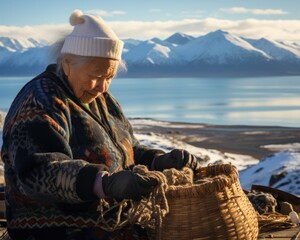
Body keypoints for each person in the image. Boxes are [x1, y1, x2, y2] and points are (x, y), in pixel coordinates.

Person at [1, 10, 201, 240]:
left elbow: (128, 149)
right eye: (97, 75)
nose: (103, 87)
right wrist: (104, 184)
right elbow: (38, 172)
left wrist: (158, 160)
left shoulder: (101, 99)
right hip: (57, 231)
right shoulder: (40, 102)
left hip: (113, 222)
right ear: (67, 64)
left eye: (110, 77)